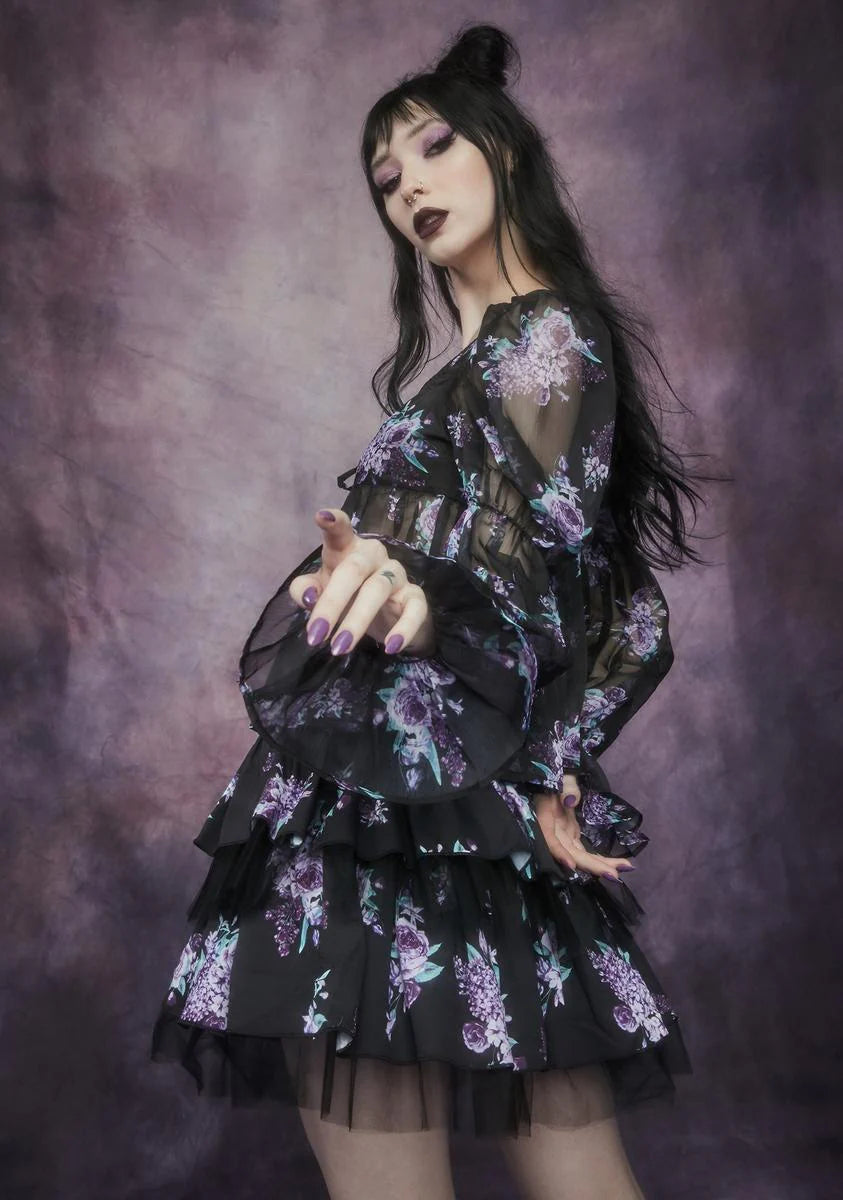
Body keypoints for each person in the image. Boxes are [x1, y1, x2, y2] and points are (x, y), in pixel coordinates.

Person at [150, 22, 715, 1200]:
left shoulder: (542, 334)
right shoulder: (492, 359)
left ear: (505, 149)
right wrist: (553, 765)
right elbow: (625, 612)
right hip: (451, 798)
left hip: (397, 806)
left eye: (434, 146)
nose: (406, 184)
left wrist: (420, 610)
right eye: (384, 176)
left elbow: (529, 579)